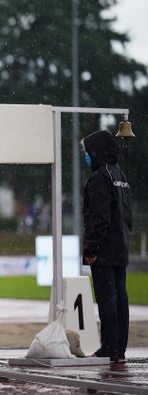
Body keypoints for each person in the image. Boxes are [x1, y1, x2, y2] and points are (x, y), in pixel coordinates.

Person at [81, 129, 132, 363]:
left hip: (103, 249)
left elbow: (98, 219)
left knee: (107, 299)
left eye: (87, 152)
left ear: (96, 151)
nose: (86, 156)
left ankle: (109, 348)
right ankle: (119, 348)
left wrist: (90, 249)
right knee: (120, 297)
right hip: (121, 245)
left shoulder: (100, 178)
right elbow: (127, 216)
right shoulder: (121, 175)